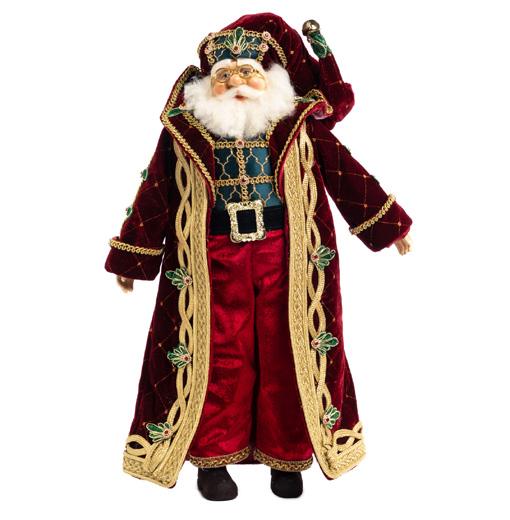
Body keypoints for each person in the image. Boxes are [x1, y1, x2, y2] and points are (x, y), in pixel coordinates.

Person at [105, 12, 413, 501]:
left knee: (286, 350)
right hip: (210, 260)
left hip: (287, 257)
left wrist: (389, 225)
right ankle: (213, 459)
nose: (236, 83)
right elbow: (156, 191)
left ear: (269, 78)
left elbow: (344, 171)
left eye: (247, 72)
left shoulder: (297, 125)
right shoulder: (184, 131)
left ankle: (286, 457)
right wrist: (132, 258)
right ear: (207, 83)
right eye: (224, 75)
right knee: (217, 355)